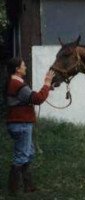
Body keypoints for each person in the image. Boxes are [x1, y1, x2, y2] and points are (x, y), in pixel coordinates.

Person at [5, 57, 55, 194]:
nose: (25, 67)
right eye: (23, 65)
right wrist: (47, 83)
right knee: (21, 156)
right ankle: (13, 190)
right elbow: (37, 99)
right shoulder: (17, 84)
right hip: (21, 125)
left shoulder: (16, 82)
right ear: (17, 69)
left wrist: (47, 88)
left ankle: (28, 186)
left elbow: (32, 97)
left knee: (29, 153)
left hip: (20, 124)